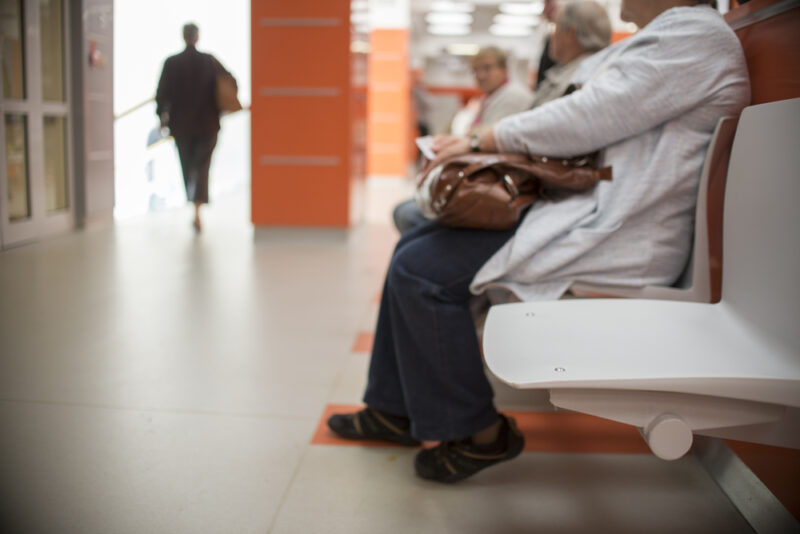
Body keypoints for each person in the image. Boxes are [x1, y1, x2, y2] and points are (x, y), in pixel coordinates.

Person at [328, 0, 749, 484]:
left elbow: (588, 116)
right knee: (414, 245)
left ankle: (480, 433)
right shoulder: (676, 36)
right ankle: (391, 408)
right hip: (590, 211)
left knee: (420, 269)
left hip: (615, 231)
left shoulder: (694, 40)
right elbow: (590, 110)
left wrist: (482, 139)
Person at [394, 46, 533, 233]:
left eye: (487, 68)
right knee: (405, 211)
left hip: (494, 186)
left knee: (408, 215)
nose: (480, 75)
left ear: (503, 69)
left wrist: (457, 143)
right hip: (482, 179)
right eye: (476, 70)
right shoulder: (489, 98)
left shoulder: (513, 97)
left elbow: (490, 140)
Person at [156, 23, 235, 232]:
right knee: (201, 168)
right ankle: (197, 210)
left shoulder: (171, 63)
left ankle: (195, 208)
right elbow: (231, 81)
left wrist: (162, 117)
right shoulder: (209, 61)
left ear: (183, 37)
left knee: (188, 167)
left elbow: (161, 94)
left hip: (181, 127)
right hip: (207, 125)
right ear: (197, 37)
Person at [530, 1, 611, 108]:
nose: (551, 35)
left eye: (555, 26)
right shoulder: (602, 72)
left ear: (570, 33)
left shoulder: (579, 82)